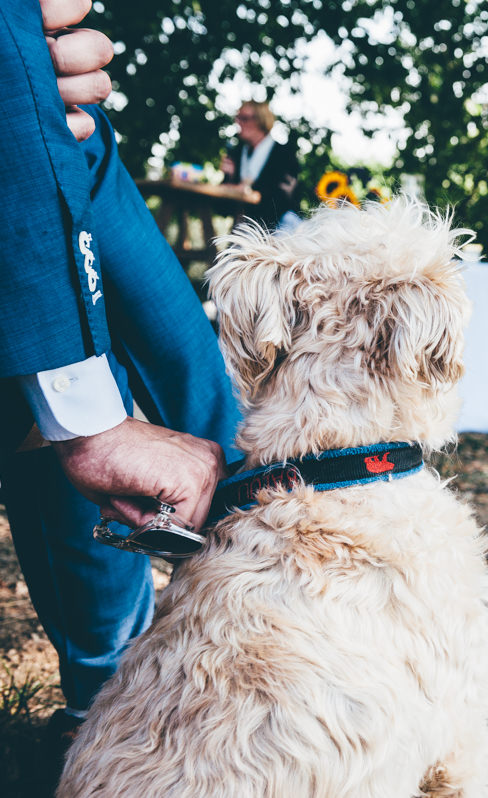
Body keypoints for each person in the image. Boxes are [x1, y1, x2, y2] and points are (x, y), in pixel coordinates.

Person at [0, 0, 240, 773]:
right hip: (22, 146)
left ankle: (264, 605)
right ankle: (102, 700)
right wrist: (92, 420)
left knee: (198, 379)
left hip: (76, 147)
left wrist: (40, 53)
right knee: (59, 414)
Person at [220, 99, 302, 230]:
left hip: (279, 230)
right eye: (238, 117)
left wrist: (245, 190)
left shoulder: (284, 154)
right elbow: (222, 209)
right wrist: (228, 179)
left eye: (244, 118)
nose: (238, 123)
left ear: (261, 120)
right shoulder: (237, 154)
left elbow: (282, 202)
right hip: (245, 229)